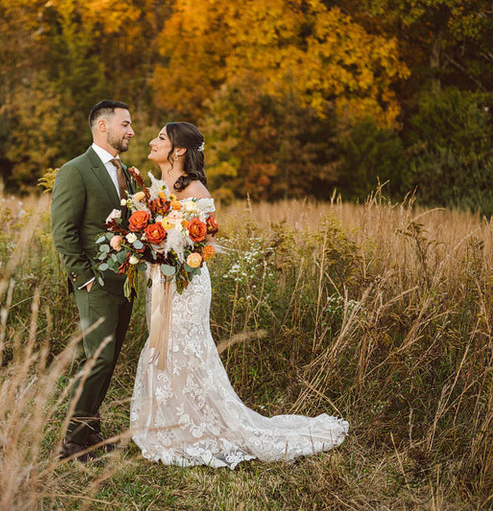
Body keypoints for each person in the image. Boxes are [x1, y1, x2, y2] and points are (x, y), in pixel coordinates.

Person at [129, 122, 349, 468]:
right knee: (163, 350)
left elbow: (207, 244)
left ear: (179, 150)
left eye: (160, 137)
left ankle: (203, 429)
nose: (152, 141)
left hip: (187, 285)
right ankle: (169, 426)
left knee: (186, 352)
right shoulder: (154, 188)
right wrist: (145, 245)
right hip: (161, 282)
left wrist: (167, 248)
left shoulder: (195, 190)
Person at [51, 100, 136, 462]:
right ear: (103, 127)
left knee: (110, 358)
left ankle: (89, 433)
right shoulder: (75, 170)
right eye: (126, 124)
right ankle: (70, 444)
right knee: (96, 359)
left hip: (124, 283)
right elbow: (63, 232)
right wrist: (84, 279)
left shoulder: (128, 174)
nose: (131, 131)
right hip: (95, 284)